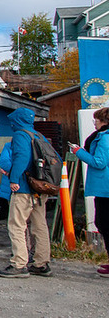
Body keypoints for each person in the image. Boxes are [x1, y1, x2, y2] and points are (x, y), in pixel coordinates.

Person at [0, 107, 53, 278]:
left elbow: (21, 158)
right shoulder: (39, 135)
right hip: (39, 188)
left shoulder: (21, 135)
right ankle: (42, 263)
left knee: (16, 225)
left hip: (24, 188)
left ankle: (19, 264)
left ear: (17, 120)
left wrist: (14, 179)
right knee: (40, 225)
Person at [69, 106, 109, 277]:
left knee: (105, 224)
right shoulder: (102, 137)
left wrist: (79, 152)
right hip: (103, 188)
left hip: (105, 188)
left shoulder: (105, 139)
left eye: (97, 120)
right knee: (103, 224)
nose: (94, 123)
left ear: (104, 121)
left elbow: (99, 162)